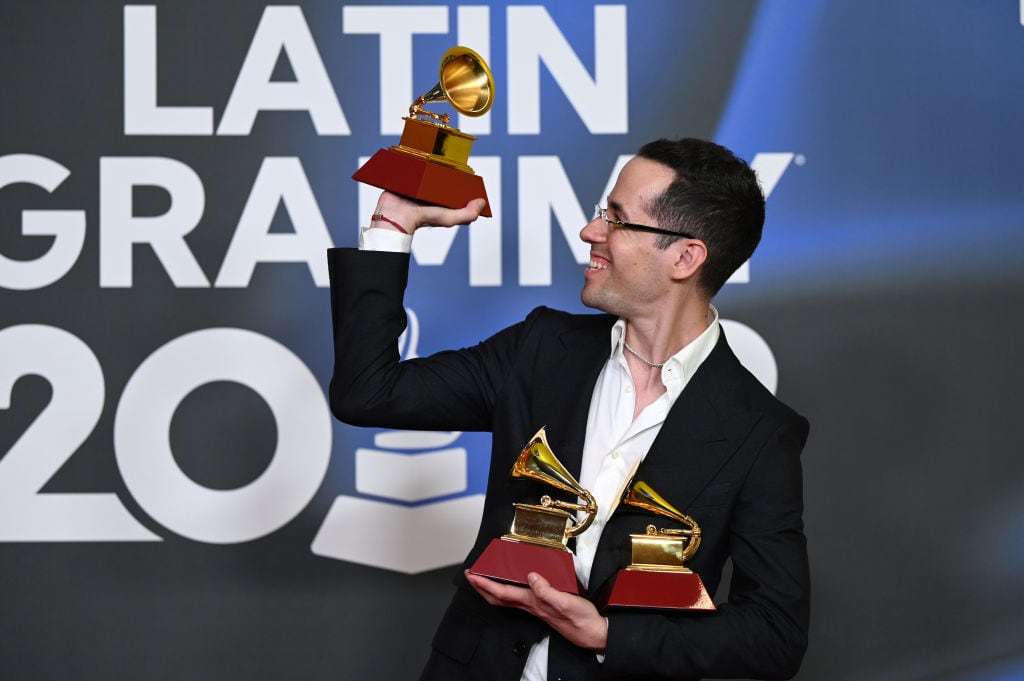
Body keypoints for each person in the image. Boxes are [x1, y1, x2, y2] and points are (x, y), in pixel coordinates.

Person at [327, 138, 810, 681]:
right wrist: (393, 223)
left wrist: (608, 635)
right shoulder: (538, 349)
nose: (590, 231)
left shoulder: (760, 432)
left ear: (685, 257)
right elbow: (368, 391)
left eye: (618, 220)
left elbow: (774, 635)